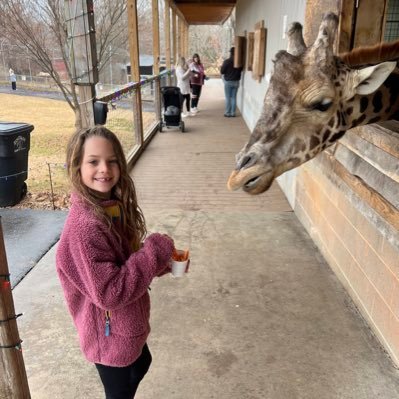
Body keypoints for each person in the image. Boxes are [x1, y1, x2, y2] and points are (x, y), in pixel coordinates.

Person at [56, 126, 175, 399]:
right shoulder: (84, 228)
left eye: (111, 161)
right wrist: (154, 250)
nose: (104, 169)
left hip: (126, 324)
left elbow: (126, 263)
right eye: (93, 161)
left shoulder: (111, 206)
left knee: (142, 363)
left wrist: (161, 263)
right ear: (77, 166)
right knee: (120, 391)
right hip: (107, 336)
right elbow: (110, 292)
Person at [220, 47, 243, 117]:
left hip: (228, 82)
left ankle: (227, 112)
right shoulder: (239, 62)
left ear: (231, 53)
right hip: (236, 82)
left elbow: (222, 71)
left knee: (228, 98)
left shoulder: (227, 61)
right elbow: (240, 70)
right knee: (233, 97)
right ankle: (233, 113)